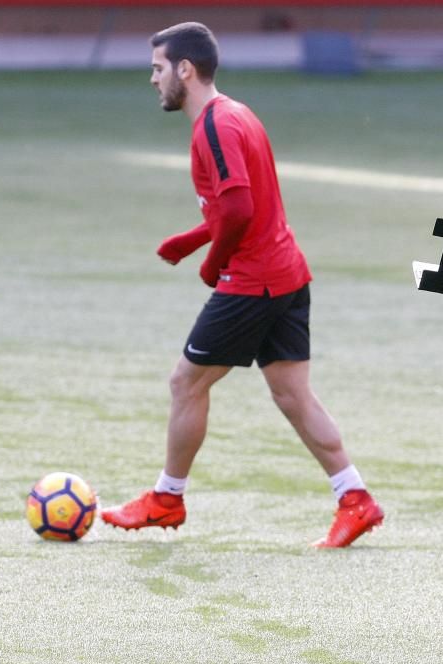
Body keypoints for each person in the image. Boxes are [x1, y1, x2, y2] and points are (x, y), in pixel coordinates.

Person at [101, 22, 384, 548]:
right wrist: (190, 239)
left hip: (253, 280)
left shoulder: (215, 126)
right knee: (292, 393)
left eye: (158, 68)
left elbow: (238, 208)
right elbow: (239, 204)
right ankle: (355, 498)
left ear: (185, 70)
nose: (153, 79)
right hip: (287, 274)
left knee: (187, 383)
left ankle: (167, 498)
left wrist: (213, 264)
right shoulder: (236, 114)